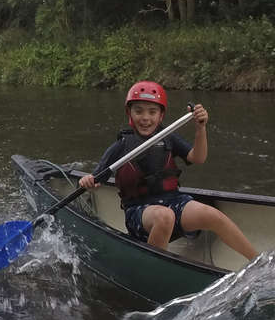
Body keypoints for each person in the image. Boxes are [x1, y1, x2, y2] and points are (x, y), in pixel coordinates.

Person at [79, 81, 258, 263]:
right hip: (139, 213)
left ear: (161, 115)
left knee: (213, 215)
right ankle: (154, 271)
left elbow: (198, 158)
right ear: (129, 113)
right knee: (164, 216)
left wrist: (200, 128)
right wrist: (87, 181)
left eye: (152, 112)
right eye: (138, 111)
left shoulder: (168, 137)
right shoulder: (120, 147)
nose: (145, 118)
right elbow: (95, 180)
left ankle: (258, 261)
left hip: (173, 200)